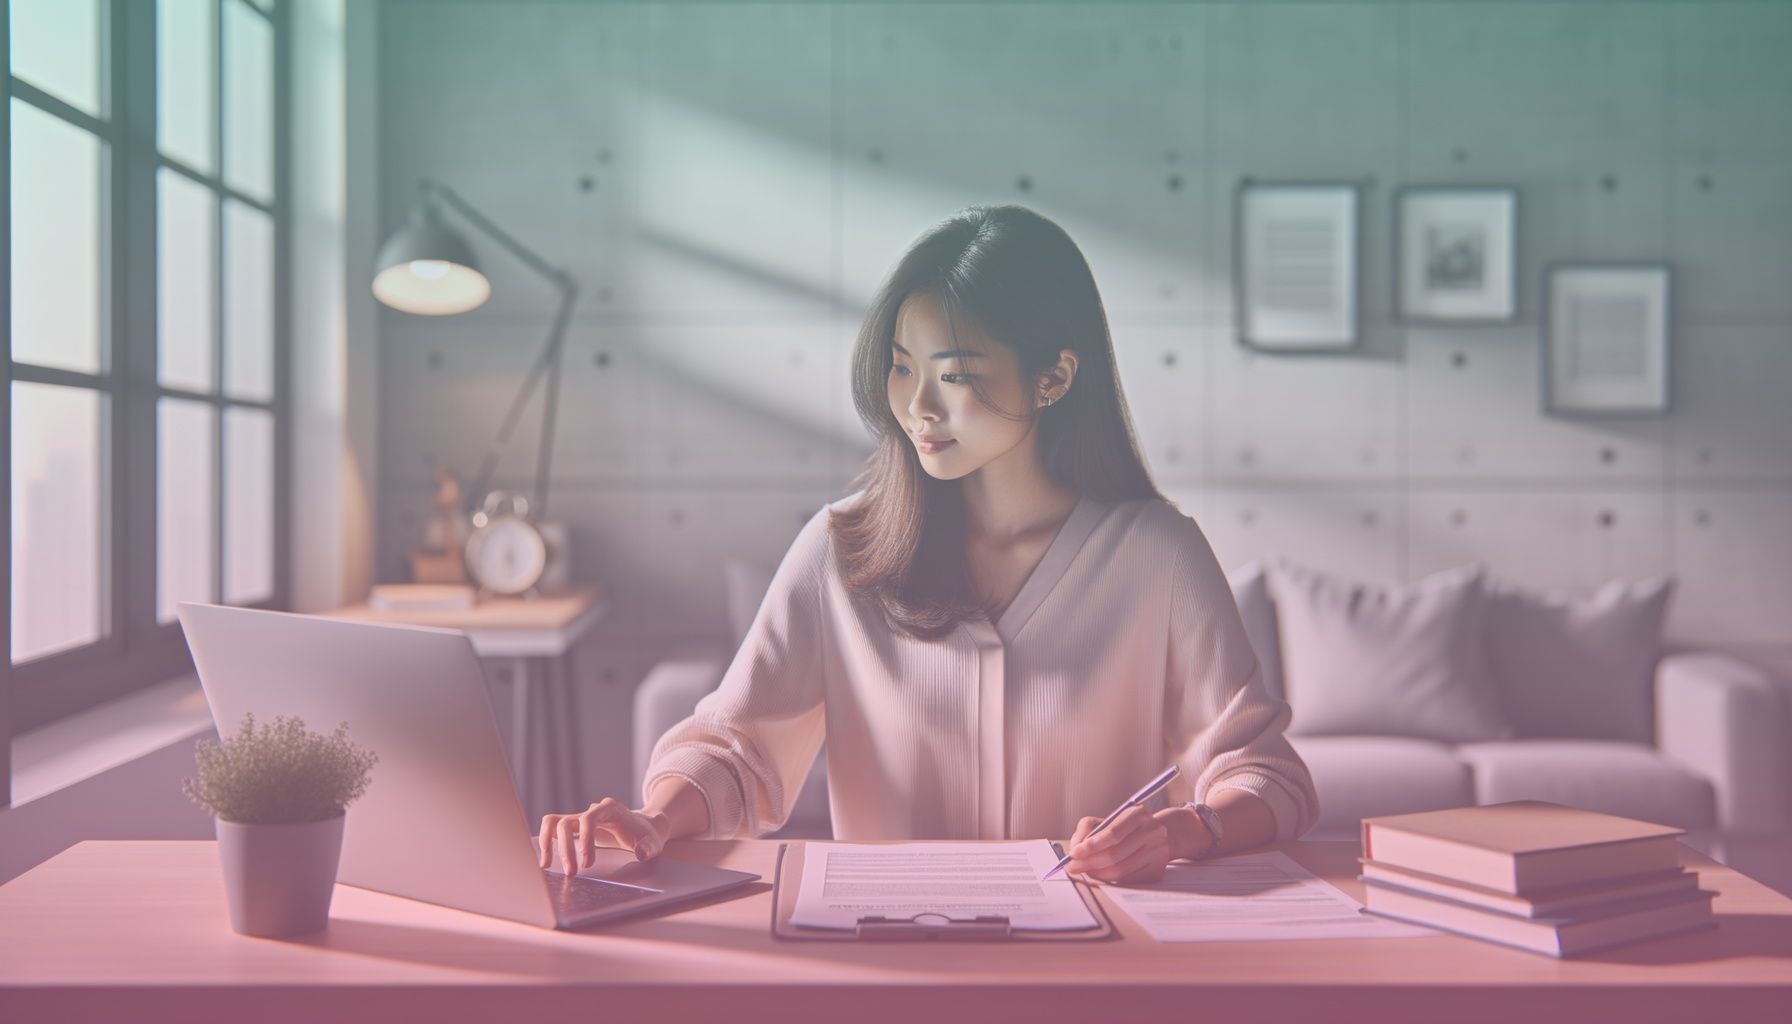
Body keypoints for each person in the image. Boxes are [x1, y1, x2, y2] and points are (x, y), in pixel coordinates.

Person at [539, 205, 1318, 885]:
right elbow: (736, 746)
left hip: (1092, 958)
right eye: (902, 369)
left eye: (955, 374)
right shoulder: (845, 550)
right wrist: (655, 819)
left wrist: (1184, 829)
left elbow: (1266, 774)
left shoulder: (1158, 557)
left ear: (1053, 378)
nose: (916, 407)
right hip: (892, 958)